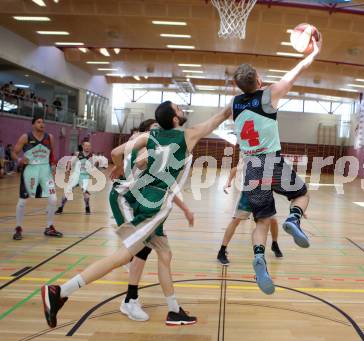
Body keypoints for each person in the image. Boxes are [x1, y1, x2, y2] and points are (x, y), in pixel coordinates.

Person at [41, 101, 232, 328]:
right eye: (178, 108)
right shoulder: (187, 136)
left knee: (164, 255)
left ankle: (173, 311)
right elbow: (221, 115)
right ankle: (60, 291)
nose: (182, 109)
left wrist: (120, 167)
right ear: (174, 119)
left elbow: (116, 152)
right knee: (125, 256)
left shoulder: (151, 136)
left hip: (143, 195)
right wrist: (244, 96)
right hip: (155, 203)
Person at [231, 38, 320, 294]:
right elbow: (298, 70)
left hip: (251, 168)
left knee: (261, 222)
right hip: (272, 161)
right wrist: (314, 51)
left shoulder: (234, 104)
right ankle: (293, 219)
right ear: (258, 80)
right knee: (302, 194)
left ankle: (259, 256)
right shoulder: (268, 96)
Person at [115, 118, 196, 324]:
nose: (158, 133)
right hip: (132, 199)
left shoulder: (156, 148)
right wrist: (124, 175)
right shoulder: (143, 145)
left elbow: (164, 184)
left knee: (163, 253)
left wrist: (185, 208)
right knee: (141, 249)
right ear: (144, 133)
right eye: (153, 130)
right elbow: (128, 161)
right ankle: (130, 300)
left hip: (147, 199)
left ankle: (173, 309)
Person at [217, 161, 282, 265]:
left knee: (273, 220)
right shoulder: (250, 157)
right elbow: (235, 169)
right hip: (248, 195)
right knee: (236, 220)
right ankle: (222, 250)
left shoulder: (270, 158)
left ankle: (274, 244)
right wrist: (228, 182)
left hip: (265, 196)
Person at [12, 116, 63, 240]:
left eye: (43, 122)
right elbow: (14, 152)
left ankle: (49, 227)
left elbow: (51, 154)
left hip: (45, 171)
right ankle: (18, 228)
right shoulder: (26, 137)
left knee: (53, 199)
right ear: (33, 124)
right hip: (30, 171)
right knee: (23, 201)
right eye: (39, 122)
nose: (42, 124)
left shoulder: (49, 137)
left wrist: (53, 164)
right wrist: (19, 159)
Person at [55, 141, 97, 215]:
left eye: (89, 146)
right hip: (76, 175)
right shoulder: (78, 154)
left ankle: (87, 208)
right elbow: (70, 162)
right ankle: (60, 208)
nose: (87, 147)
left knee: (85, 193)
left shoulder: (92, 157)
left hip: (85, 176)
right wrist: (68, 169)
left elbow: (93, 168)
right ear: (83, 146)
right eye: (86, 146)